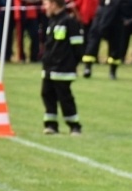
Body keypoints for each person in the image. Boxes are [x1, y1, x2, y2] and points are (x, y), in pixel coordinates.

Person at [41, 0, 83, 134]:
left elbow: (77, 47)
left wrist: (71, 64)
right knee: (47, 94)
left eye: (46, 4)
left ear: (54, 4)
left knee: (64, 97)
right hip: (49, 68)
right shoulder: (52, 21)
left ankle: (74, 125)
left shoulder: (69, 22)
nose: (44, 7)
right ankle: (51, 125)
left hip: (63, 69)